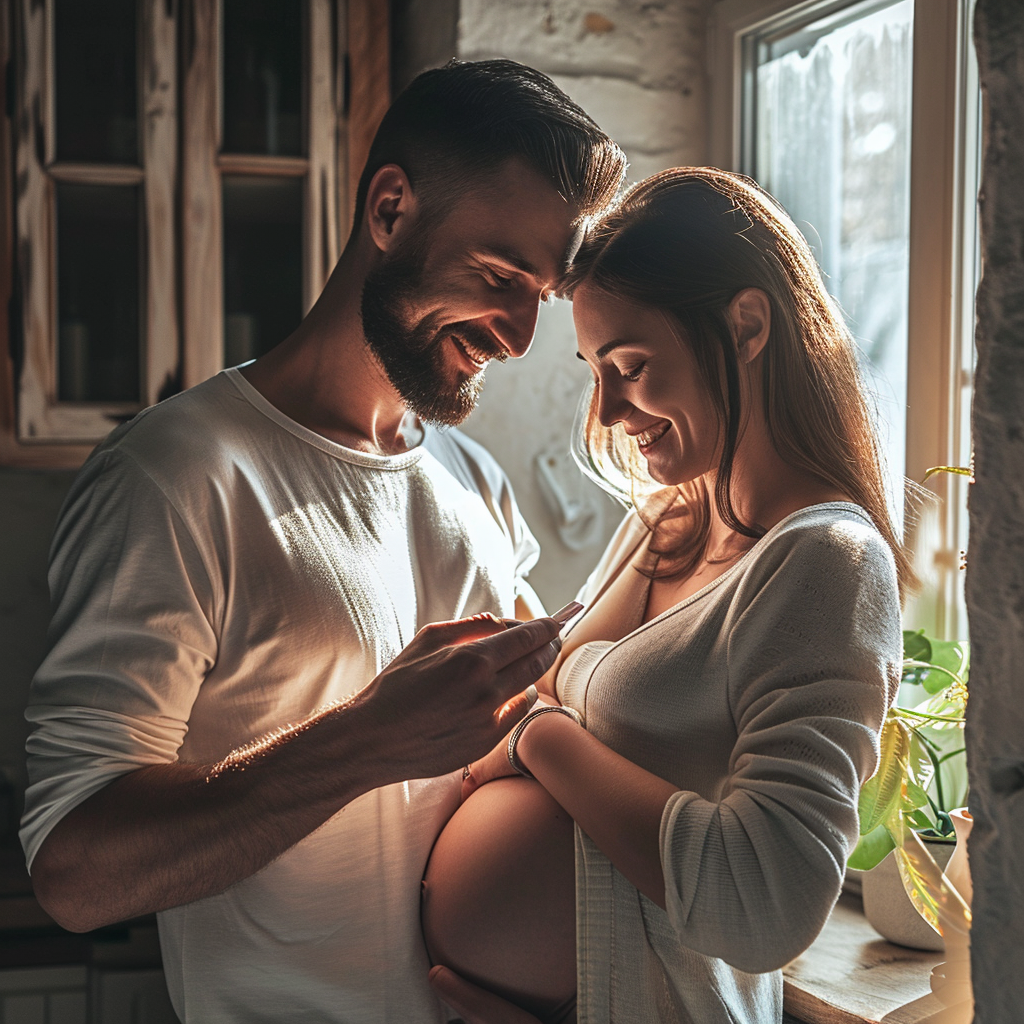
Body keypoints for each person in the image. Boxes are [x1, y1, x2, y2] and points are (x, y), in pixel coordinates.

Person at [19, 60, 626, 1023]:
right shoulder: (177, 475)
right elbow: (74, 873)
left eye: (539, 298)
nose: (517, 336)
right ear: (390, 211)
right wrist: (368, 740)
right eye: (499, 277)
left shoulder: (477, 486)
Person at [420, 167, 910, 1024]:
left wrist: (541, 739)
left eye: (631, 365)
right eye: (595, 370)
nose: (606, 408)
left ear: (746, 325)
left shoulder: (825, 562)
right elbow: (542, 684)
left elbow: (767, 905)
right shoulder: (669, 519)